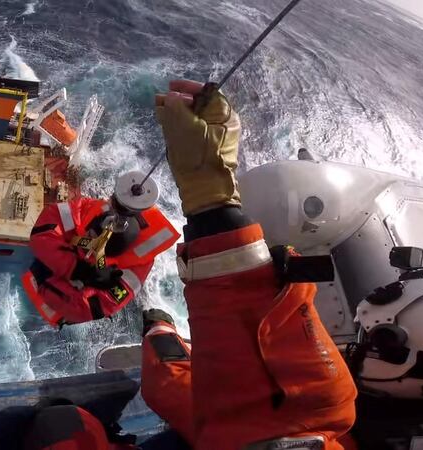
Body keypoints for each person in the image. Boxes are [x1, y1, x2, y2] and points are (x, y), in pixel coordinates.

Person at [139, 80, 358, 449]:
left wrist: (210, 195)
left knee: (63, 427)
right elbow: (192, 399)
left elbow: (254, 418)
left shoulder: (327, 410)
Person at [22, 172, 180, 327]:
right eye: (89, 234)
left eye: (91, 238)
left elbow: (84, 310)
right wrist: (77, 268)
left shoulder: (132, 273)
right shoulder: (93, 211)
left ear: (111, 252)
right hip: (65, 267)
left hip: (56, 298)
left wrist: (43, 278)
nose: (88, 237)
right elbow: (43, 231)